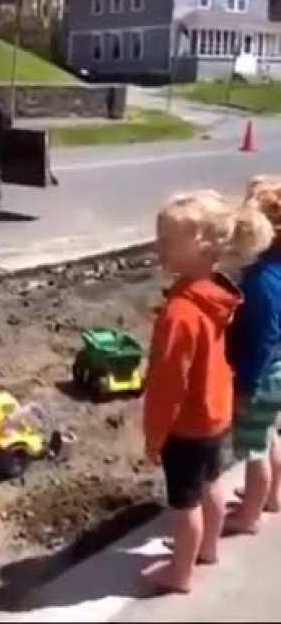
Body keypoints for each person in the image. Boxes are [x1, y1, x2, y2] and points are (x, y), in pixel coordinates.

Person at [142, 190, 273, 594]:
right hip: (215, 411)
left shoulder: (181, 312)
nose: (159, 247)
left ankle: (179, 573)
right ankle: (208, 549)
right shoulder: (217, 292)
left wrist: (154, 433)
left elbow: (168, 383)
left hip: (187, 423)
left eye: (168, 241)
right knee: (212, 482)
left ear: (203, 249)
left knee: (184, 504)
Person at [226, 177, 281, 534]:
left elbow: (262, 339)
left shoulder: (259, 281)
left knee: (252, 448)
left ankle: (249, 517)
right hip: (278, 370)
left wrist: (245, 385)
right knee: (270, 434)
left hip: (261, 374)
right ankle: (272, 496)